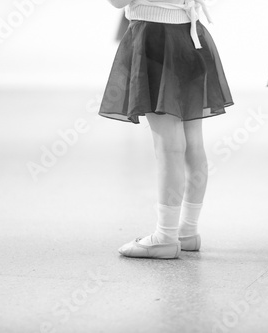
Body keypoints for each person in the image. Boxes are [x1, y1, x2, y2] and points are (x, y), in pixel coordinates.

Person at [100, 0, 233, 258]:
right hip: (191, 36)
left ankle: (165, 236)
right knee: (193, 142)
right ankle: (187, 231)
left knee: (168, 146)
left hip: (154, 38)